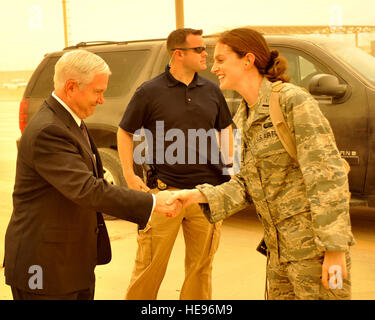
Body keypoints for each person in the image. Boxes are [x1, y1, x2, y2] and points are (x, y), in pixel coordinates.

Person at [169, 28, 356, 300]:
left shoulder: (292, 101)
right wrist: (197, 195)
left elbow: (327, 175)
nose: (214, 67)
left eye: (221, 59)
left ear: (247, 60)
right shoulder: (244, 115)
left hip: (316, 254)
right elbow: (246, 185)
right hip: (279, 256)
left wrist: (335, 250)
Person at [4, 49, 178, 300]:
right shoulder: (48, 130)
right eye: (98, 91)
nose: (102, 100)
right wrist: (152, 202)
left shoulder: (69, 120)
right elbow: (87, 189)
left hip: (71, 264)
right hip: (43, 268)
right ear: (72, 87)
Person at [117, 28, 233, 300]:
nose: (206, 54)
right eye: (199, 50)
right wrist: (128, 173)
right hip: (164, 195)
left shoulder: (211, 90)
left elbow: (225, 128)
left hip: (205, 195)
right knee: (149, 268)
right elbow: (125, 131)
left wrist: (231, 172)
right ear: (178, 54)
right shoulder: (149, 92)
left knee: (201, 270)